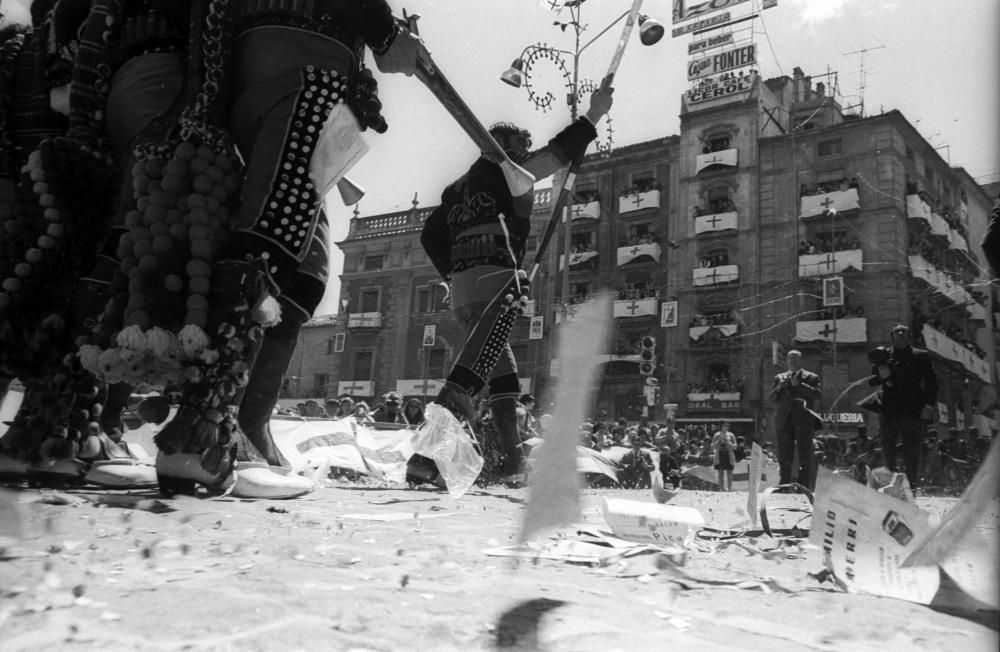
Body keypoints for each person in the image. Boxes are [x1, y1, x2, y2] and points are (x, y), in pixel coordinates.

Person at [418, 76, 614, 486]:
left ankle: (510, 460)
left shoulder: (456, 189)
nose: (526, 155)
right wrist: (594, 113)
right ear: (507, 148)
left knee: (501, 372)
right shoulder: (509, 171)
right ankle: (424, 457)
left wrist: (449, 274)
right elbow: (558, 154)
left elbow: (429, 233)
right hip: (497, 283)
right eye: (521, 148)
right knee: (470, 373)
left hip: (465, 292)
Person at [866, 324, 938, 489]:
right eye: (897, 331)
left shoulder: (921, 356)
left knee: (911, 450)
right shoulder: (883, 355)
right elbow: (872, 380)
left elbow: (932, 382)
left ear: (909, 336)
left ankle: (911, 486)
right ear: (892, 336)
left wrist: (928, 405)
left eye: (904, 331)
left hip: (913, 408)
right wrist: (881, 377)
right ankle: (889, 486)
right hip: (889, 408)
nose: (900, 334)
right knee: (888, 449)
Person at [771, 349, 823, 489]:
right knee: (784, 456)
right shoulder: (779, 377)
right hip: (784, 421)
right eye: (790, 358)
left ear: (801, 361)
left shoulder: (812, 377)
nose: (792, 360)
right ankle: (784, 485)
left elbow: (818, 395)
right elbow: (772, 399)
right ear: (786, 361)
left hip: (804, 421)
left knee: (805, 455)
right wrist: (778, 388)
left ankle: (804, 486)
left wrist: (799, 385)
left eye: (795, 358)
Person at [711, 421, 737, 491]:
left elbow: (735, 447)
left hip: (728, 454)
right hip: (720, 454)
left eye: (728, 426)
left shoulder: (731, 435)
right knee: (720, 472)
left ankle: (729, 488)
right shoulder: (716, 435)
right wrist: (718, 442)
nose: (727, 427)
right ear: (721, 426)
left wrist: (728, 443)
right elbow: (712, 446)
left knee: (729, 472)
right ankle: (721, 488)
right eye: (725, 425)